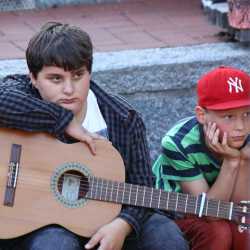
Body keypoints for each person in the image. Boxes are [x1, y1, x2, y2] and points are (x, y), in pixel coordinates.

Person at [0, 22, 188, 250]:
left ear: (90, 72)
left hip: (110, 216)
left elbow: (143, 187)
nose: (69, 90)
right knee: (56, 244)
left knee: (166, 237)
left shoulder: (123, 119)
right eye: (56, 79)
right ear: (33, 78)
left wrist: (123, 223)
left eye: (78, 75)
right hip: (40, 220)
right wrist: (63, 120)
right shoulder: (21, 92)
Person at [153, 66, 250, 250]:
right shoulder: (177, 142)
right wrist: (231, 162)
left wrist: (244, 160)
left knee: (244, 229)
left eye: (247, 114)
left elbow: (241, 207)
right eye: (228, 116)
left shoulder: (246, 136)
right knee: (219, 232)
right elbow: (210, 213)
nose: (241, 126)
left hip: (224, 203)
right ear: (202, 115)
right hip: (175, 209)